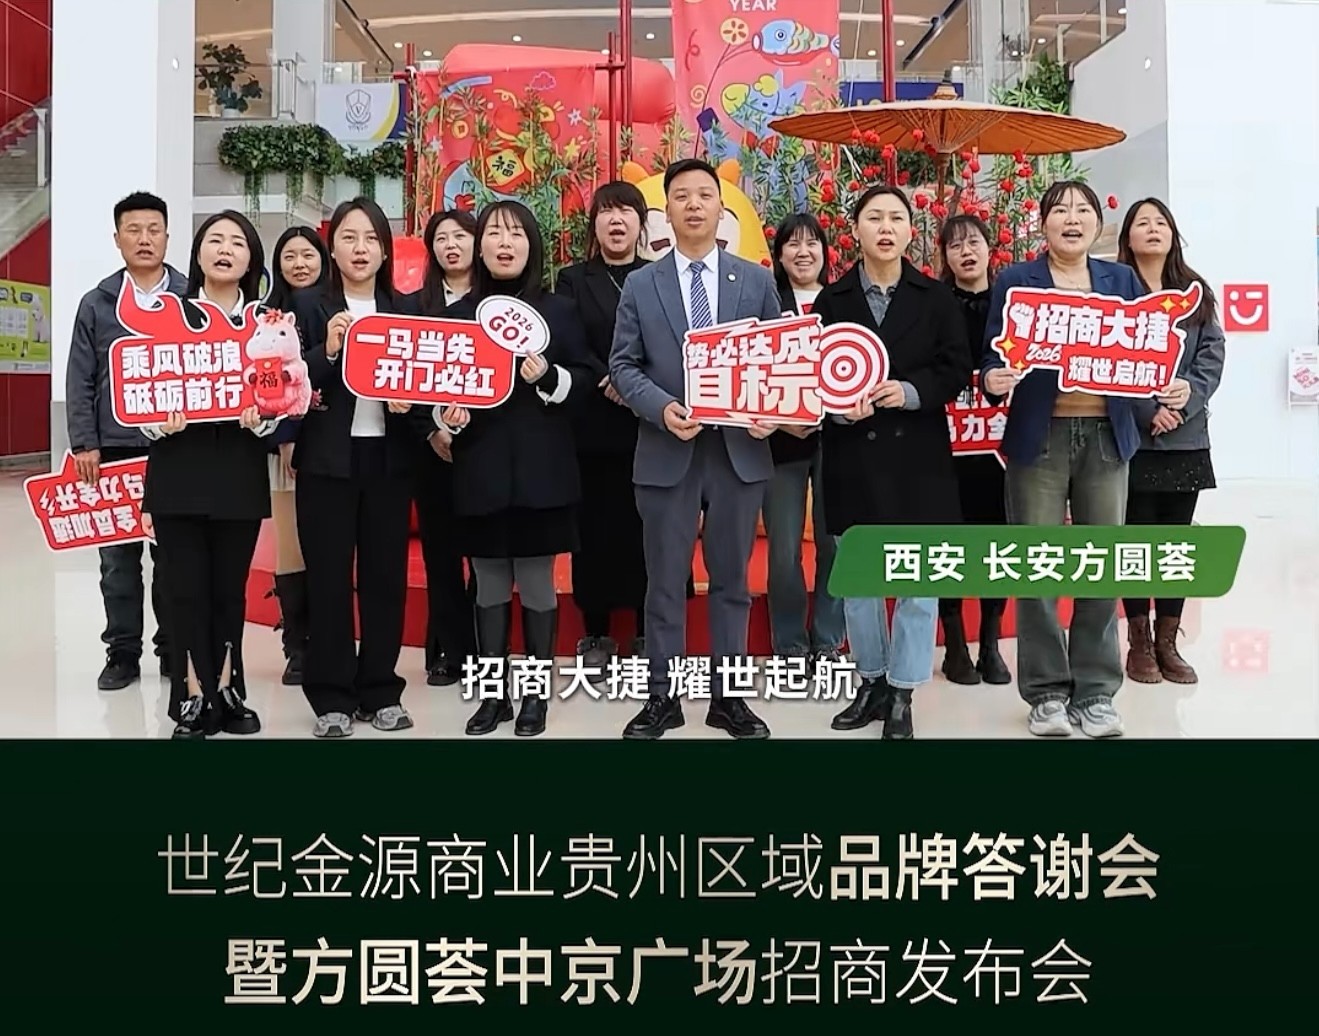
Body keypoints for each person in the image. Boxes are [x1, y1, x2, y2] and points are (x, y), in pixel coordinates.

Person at [609, 157, 783, 741]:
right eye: (681, 195)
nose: (693, 205)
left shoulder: (754, 280)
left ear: (720, 207)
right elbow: (623, 365)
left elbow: (778, 358)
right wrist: (661, 408)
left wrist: (769, 409)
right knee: (664, 582)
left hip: (738, 454)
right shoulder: (642, 284)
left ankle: (728, 699)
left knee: (733, 581)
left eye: (704, 195)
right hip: (668, 451)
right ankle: (662, 698)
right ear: (667, 210)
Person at [982, 180, 1145, 739]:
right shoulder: (1016, 280)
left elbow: (1143, 349)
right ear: (1043, 223)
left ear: (1097, 223)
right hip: (1040, 436)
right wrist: (993, 378)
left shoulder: (1121, 281)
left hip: (1106, 436)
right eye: (1060, 210)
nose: (1071, 219)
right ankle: (1047, 692)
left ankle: (1096, 692)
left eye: (1082, 210)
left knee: (1102, 562)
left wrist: (1163, 389)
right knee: (1038, 563)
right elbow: (993, 353)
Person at [436, 200, 593, 737]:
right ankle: (492, 695)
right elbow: (436, 389)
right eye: (495, 234)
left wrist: (548, 377)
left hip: (542, 471)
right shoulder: (458, 316)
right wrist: (445, 417)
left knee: (536, 580)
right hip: (479, 467)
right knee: (487, 581)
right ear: (479, 247)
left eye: (516, 234)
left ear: (533, 246)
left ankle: (535, 697)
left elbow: (586, 380)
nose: (505, 244)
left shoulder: (559, 311)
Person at [818, 186, 971, 740]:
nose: (885, 228)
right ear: (855, 229)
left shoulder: (936, 298)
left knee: (916, 581)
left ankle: (904, 690)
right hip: (852, 454)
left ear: (911, 231)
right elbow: (812, 374)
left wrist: (908, 391)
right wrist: (839, 406)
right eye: (874, 218)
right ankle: (872, 682)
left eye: (896, 219)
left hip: (918, 456)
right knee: (859, 582)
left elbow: (955, 367)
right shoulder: (831, 301)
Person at [140, 211, 277, 739]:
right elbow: (138, 389)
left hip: (239, 471)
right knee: (185, 590)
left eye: (237, 242)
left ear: (250, 260)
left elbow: (284, 395)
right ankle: (191, 696)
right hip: (178, 470)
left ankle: (228, 690)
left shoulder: (267, 325)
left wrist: (263, 416)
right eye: (214, 240)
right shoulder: (166, 316)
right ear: (197, 255)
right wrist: (158, 421)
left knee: (228, 591)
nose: (225, 249)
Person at [290, 197, 417, 738]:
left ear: (385, 250)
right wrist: (327, 351)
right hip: (327, 460)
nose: (360, 248)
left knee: (385, 578)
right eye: (349, 237)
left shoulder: (405, 309)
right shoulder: (308, 307)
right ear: (332, 248)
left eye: (371, 239)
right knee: (329, 579)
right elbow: (287, 382)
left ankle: (381, 689)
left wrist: (413, 403)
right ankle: (331, 696)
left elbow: (424, 380)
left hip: (388, 459)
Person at [66, 191, 180, 692]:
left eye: (154, 229)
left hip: (175, 449)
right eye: (134, 230)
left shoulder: (190, 296)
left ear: (167, 237)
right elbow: (80, 378)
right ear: (117, 239)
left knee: (174, 558)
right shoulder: (97, 303)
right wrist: (84, 443)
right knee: (117, 562)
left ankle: (174, 648)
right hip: (114, 451)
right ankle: (122, 652)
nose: (144, 239)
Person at [1117, 198, 1225, 685]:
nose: (1153, 229)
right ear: (1129, 236)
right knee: (1136, 543)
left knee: (1174, 545)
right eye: (1142, 223)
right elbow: (1110, 359)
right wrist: (1147, 409)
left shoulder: (1195, 291)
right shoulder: (1115, 290)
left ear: (1173, 234)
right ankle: (1139, 642)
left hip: (1185, 438)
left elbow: (1212, 353)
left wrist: (1187, 399)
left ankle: (1168, 641)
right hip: (1133, 438)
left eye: (1161, 222)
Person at [555, 181, 652, 677]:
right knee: (592, 529)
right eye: (607, 212)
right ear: (594, 224)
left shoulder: (658, 276)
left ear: (641, 223)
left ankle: (647, 629)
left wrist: (636, 384)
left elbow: (670, 339)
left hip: (647, 421)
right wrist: (609, 377)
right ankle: (595, 631)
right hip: (592, 422)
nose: (616, 221)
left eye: (626, 212)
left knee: (648, 527)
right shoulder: (573, 279)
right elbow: (567, 338)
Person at [763, 211, 845, 666]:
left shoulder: (843, 302)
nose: (803, 252)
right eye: (792, 244)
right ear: (779, 256)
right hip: (781, 442)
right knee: (783, 549)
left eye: (812, 243)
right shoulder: (765, 304)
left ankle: (828, 640)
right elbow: (752, 372)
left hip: (838, 440)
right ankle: (790, 644)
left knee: (835, 543)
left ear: (824, 252)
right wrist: (780, 419)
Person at [935, 215, 1012, 686]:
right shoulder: (933, 304)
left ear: (989, 248)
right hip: (946, 444)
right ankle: (955, 644)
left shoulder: (1012, 302)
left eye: (974, 242)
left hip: (1000, 446)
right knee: (950, 541)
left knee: (996, 542)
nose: (966, 252)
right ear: (944, 255)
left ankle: (991, 642)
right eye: (955, 245)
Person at [411, 208, 479, 686]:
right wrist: (432, 430)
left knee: (486, 556)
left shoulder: (496, 305)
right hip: (431, 448)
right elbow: (404, 380)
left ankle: (484, 648)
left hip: (485, 447)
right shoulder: (413, 306)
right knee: (441, 554)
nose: (451, 245)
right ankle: (449, 649)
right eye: (441, 238)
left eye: (460, 236)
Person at [261, 225, 329, 685]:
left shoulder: (335, 308)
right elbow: (269, 385)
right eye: (290, 256)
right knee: (291, 546)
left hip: (331, 445)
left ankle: (326, 637)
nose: (299, 264)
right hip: (286, 448)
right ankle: (297, 644)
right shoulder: (266, 317)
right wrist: (286, 436)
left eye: (308, 254)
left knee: (327, 544)